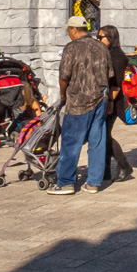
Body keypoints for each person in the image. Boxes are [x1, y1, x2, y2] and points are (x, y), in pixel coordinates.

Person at [50, 16, 116, 195]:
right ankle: (94, 182)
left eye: (68, 31)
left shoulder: (71, 48)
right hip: (100, 99)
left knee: (71, 142)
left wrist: (63, 94)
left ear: (73, 29)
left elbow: (64, 76)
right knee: (97, 141)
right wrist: (109, 100)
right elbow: (109, 75)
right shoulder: (102, 47)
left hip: (78, 101)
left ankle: (65, 182)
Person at [98, 25, 134, 182]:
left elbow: (116, 84)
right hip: (107, 100)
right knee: (103, 135)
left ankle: (124, 165)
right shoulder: (107, 53)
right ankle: (105, 171)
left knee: (104, 135)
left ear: (110, 38)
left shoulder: (117, 56)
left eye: (101, 37)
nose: (98, 40)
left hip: (113, 101)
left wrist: (110, 102)